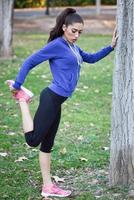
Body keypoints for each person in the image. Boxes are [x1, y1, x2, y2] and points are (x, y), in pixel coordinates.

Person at [6, 8, 118, 198]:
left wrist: (111, 46)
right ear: (64, 27)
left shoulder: (73, 47)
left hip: (57, 101)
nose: (77, 35)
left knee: (47, 144)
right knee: (33, 140)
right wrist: (18, 85)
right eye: (73, 31)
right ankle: (23, 100)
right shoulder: (57, 45)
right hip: (51, 98)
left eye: (80, 32)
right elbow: (30, 62)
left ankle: (47, 186)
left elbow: (90, 58)